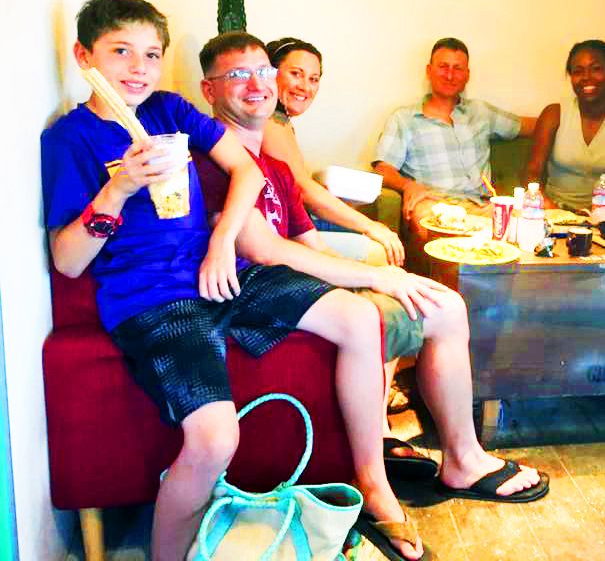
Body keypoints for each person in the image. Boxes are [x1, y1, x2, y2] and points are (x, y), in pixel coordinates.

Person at [197, 31, 549, 561]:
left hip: (298, 288)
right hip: (253, 299)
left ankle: (463, 458)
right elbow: (263, 249)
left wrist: (372, 276)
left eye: (263, 72)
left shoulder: (273, 167)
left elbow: (310, 243)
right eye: (239, 75)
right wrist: (378, 280)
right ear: (209, 90)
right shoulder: (210, 162)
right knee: (369, 310)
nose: (258, 85)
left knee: (446, 306)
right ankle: (372, 481)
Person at [41, 0, 321, 561]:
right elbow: (67, 260)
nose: (139, 68)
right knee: (216, 437)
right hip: (150, 299)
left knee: (357, 317)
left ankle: (374, 485)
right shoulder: (68, 139)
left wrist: (220, 244)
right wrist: (119, 187)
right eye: (121, 51)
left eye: (151, 54)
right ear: (84, 57)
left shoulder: (169, 110)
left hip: (215, 275)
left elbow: (246, 169)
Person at [373, 37, 536, 249]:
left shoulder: (481, 112)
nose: (450, 75)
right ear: (429, 70)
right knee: (429, 223)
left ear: (467, 75)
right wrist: (408, 185)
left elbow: (536, 126)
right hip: (434, 206)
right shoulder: (404, 119)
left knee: (528, 223)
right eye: (443, 67)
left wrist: (567, 118)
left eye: (457, 68)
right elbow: (383, 169)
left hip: (483, 208)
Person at [262, 37, 402, 266]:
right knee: (382, 250)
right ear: (271, 73)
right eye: (296, 74)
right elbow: (303, 190)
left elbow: (296, 186)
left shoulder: (280, 120)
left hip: (295, 223)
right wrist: (369, 226)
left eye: (313, 79)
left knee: (377, 231)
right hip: (281, 233)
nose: (305, 87)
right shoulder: (270, 122)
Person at [525, 39, 605, 210]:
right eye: (578, 71)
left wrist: (588, 217)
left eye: (596, 69)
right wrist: (545, 204)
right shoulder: (553, 114)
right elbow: (532, 172)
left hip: (602, 214)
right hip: (552, 212)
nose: (586, 77)